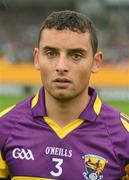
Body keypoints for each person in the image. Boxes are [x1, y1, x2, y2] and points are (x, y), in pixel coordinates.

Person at [0, 10, 129, 180]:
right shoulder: (4, 127)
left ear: (96, 62)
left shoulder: (124, 136)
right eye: (51, 53)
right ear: (37, 59)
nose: (61, 66)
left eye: (76, 55)